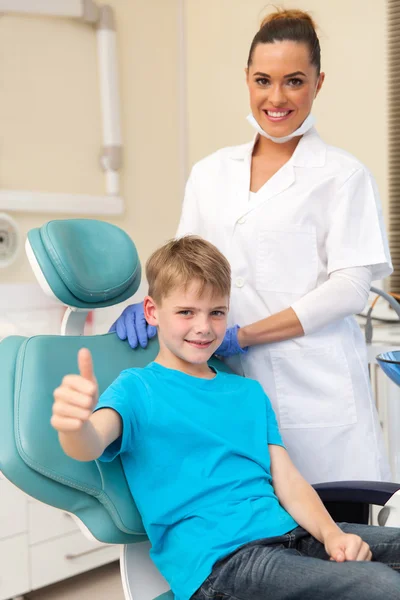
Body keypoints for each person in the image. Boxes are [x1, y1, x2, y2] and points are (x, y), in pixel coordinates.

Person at [110, 9, 393, 485]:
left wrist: (243, 336)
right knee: (252, 539)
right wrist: (149, 303)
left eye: (294, 81)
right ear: (246, 79)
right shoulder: (210, 173)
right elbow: (185, 268)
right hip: (224, 390)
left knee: (343, 537)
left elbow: (348, 290)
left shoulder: (343, 176)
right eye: (263, 80)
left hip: (314, 396)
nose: (276, 98)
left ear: (319, 83)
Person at [52, 235, 400, 600]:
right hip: (223, 563)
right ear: (152, 312)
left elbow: (289, 481)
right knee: (380, 586)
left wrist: (332, 535)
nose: (203, 326)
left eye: (216, 312)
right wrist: (75, 425)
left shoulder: (247, 392)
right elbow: (89, 442)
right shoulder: (138, 388)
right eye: (186, 312)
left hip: (291, 536)